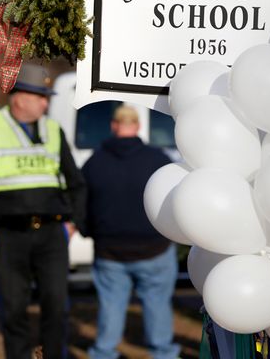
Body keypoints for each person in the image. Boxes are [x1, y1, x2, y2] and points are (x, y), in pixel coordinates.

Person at [0, 62, 87, 359]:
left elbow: (77, 183)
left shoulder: (53, 130)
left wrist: (73, 224)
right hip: (7, 236)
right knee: (13, 311)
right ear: (20, 98)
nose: (47, 102)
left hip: (53, 235)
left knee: (56, 307)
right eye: (41, 96)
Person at [80, 105, 180, 359]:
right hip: (154, 248)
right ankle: (163, 354)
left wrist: (91, 233)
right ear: (137, 126)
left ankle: (103, 354)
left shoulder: (95, 162)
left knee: (110, 309)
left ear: (114, 125)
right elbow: (172, 201)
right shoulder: (158, 160)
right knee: (157, 307)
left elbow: (80, 205)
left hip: (110, 251)